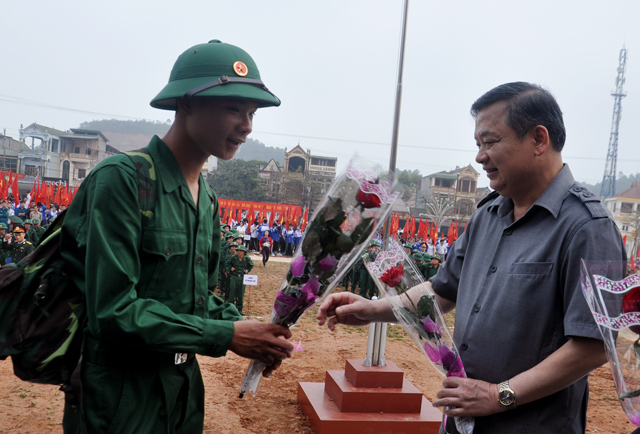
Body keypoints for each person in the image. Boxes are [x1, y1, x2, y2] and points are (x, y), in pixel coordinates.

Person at [317, 82, 627, 434]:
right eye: (478, 144)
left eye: (491, 142)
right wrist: (372, 310)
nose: (480, 157)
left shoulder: (588, 227)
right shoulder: (487, 216)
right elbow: (444, 291)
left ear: (539, 140)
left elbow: (594, 345)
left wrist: (500, 395)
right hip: (462, 419)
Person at [59, 39, 294, 434]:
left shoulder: (207, 198)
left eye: (252, 113)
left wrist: (253, 329)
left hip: (184, 390)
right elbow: (112, 312)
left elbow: (195, 300)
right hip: (120, 396)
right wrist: (227, 334)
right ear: (186, 103)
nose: (247, 125)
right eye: (233, 108)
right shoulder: (122, 180)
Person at [226, 245, 254, 315]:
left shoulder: (247, 258)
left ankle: (239, 309)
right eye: (238, 250)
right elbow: (227, 263)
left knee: (241, 293)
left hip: (242, 277)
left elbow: (252, 265)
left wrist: (247, 270)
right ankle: (230, 308)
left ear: (244, 252)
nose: (239, 252)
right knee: (232, 292)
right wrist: (230, 268)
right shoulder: (234, 257)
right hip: (234, 276)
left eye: (241, 251)